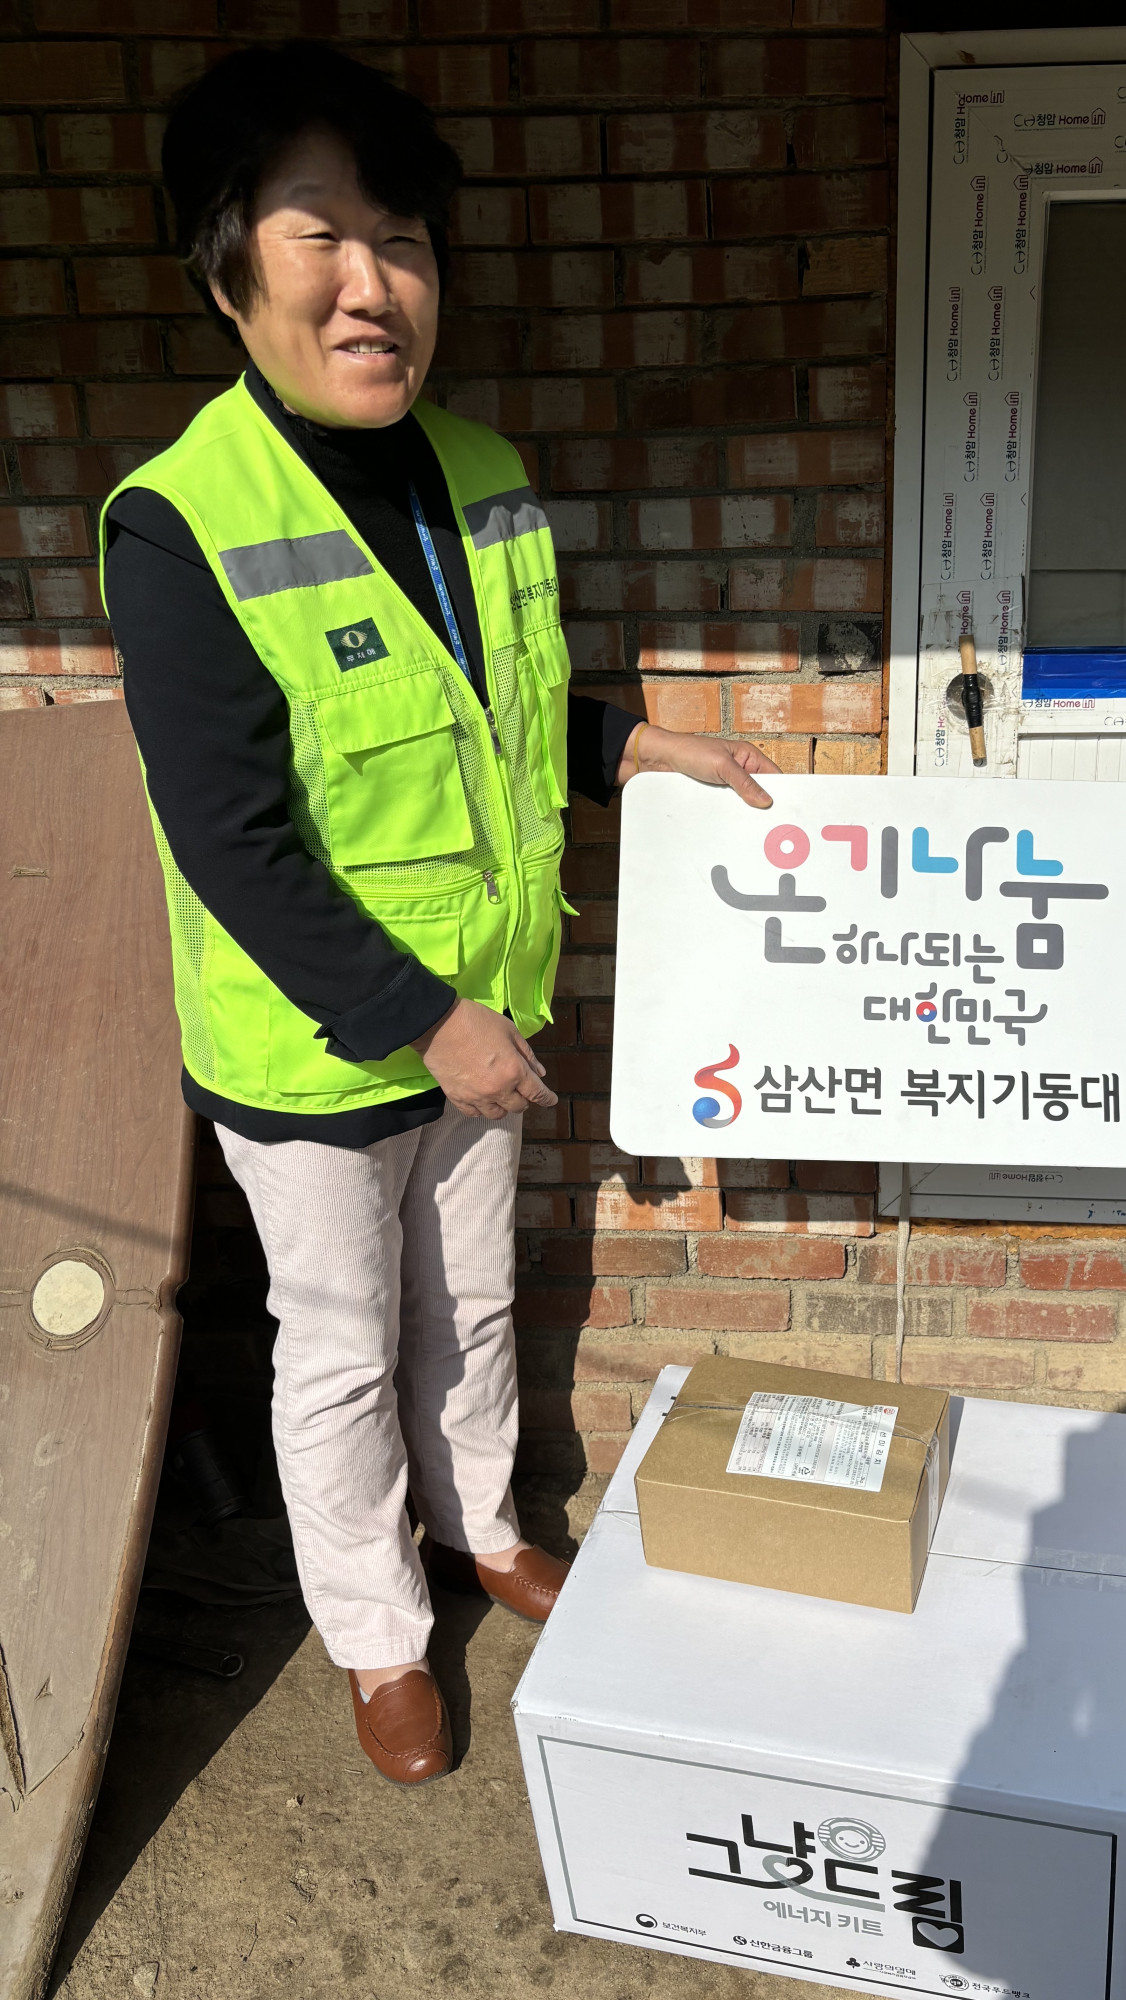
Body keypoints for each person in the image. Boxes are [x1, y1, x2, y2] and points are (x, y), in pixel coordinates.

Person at [103, 42, 779, 1788]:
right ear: (227, 270)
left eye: (400, 240)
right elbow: (233, 837)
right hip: (321, 1047)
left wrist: (635, 746)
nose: (369, 282)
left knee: (471, 1303)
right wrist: (423, 1019)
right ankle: (377, 1636)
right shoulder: (181, 523)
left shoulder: (476, 468)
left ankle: (484, 1528)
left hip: (486, 1006)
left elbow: (499, 710)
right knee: (336, 1348)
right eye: (318, 234)